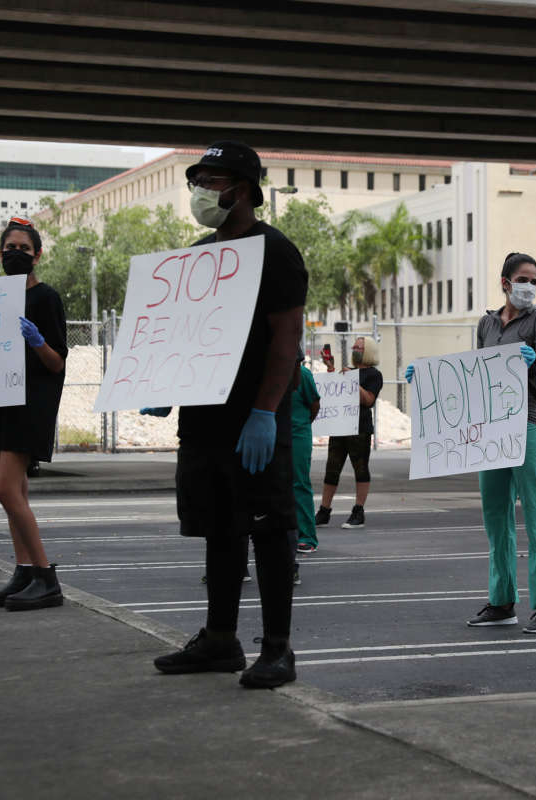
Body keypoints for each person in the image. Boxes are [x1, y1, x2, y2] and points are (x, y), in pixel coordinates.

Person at [149, 141, 306, 689]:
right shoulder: (197, 255)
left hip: (253, 418)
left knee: (267, 528)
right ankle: (220, 639)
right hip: (204, 419)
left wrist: (265, 411)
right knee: (219, 528)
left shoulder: (276, 252)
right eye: (198, 180)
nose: (200, 191)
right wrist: (161, 383)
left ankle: (278, 650)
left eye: (211, 181)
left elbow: (286, 339)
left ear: (242, 190)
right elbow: (180, 334)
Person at [409, 252, 536, 633]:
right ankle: (502, 600)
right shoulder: (487, 324)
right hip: (492, 429)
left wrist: (530, 366)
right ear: (505, 283)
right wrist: (428, 381)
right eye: (523, 279)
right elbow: (475, 378)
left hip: (528, 425)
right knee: (496, 517)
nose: (529, 286)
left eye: (535, 279)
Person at [0, 218, 68, 611]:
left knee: (4, 488)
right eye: (8, 248)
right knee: (17, 491)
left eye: (22, 248)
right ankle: (25, 570)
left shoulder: (46, 298)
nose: (14, 254)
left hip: (30, 403)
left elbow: (57, 363)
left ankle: (46, 577)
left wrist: (37, 341)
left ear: (37, 254)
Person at [315, 336, 382, 529]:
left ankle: (358, 511)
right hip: (340, 425)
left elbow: (368, 400)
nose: (355, 349)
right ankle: (324, 510)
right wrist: (331, 370)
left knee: (360, 467)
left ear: (368, 351)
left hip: (359, 427)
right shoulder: (348, 371)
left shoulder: (373, 375)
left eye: (359, 347)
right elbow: (334, 391)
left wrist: (352, 382)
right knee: (332, 468)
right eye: (354, 346)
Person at [293, 356, 321, 555]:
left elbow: (314, 405)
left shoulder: (302, 374)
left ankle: (307, 536)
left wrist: (302, 424)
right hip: (274, 435)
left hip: (296, 435)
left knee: (299, 483)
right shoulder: (267, 371)